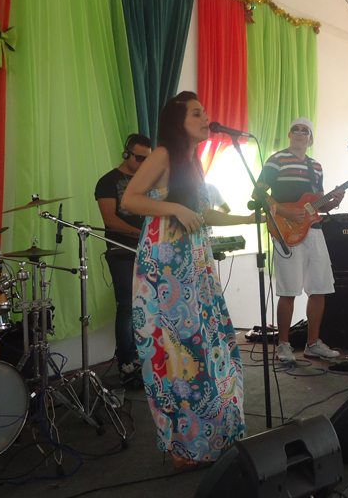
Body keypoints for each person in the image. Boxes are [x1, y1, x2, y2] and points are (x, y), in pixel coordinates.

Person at [121, 91, 252, 467]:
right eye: (197, 113)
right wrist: (176, 207)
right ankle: (182, 447)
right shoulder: (163, 155)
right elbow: (130, 199)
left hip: (195, 266)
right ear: (177, 122)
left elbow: (203, 214)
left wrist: (251, 219)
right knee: (175, 356)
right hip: (164, 269)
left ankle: (210, 438)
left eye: (205, 112)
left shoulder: (193, 163)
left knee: (207, 349)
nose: (205, 117)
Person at [255, 117, 345, 365]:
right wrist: (284, 211)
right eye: (295, 129)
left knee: (320, 287)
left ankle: (313, 344)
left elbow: (318, 204)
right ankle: (283, 344)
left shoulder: (316, 167)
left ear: (310, 138)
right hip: (287, 232)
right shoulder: (276, 160)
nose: (299, 132)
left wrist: (334, 201)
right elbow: (258, 192)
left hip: (314, 231)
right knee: (288, 290)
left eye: (305, 130)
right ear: (289, 134)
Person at [94, 133, 152, 387]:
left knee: (147, 307)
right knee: (128, 307)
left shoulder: (147, 181)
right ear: (126, 154)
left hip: (147, 250)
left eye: (147, 159)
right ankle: (126, 363)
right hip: (122, 252)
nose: (143, 163)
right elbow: (110, 220)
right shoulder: (108, 182)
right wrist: (142, 234)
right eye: (139, 158)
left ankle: (144, 358)